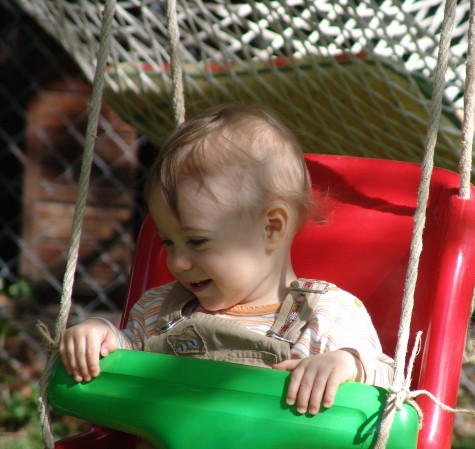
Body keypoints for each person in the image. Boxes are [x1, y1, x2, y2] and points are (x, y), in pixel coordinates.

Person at [59, 103, 394, 419]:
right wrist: (101, 338)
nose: (178, 262)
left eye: (197, 241)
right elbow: (126, 358)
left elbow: (392, 387)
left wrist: (348, 365)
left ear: (271, 227)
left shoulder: (321, 315)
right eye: (168, 242)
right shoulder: (160, 312)